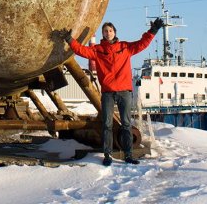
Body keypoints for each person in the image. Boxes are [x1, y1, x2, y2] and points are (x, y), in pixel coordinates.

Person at [64, 18, 164, 166]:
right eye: (105, 31)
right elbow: (81, 50)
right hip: (108, 92)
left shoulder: (125, 47)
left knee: (126, 124)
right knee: (107, 125)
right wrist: (69, 39)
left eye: (110, 30)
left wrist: (153, 31)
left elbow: (142, 44)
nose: (108, 33)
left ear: (114, 32)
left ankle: (128, 155)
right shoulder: (98, 50)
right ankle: (107, 155)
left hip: (124, 91)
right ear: (103, 34)